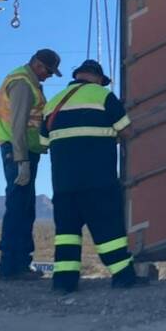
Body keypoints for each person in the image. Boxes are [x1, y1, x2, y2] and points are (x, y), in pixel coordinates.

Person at [41, 59, 143, 293]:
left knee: (66, 235)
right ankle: (123, 276)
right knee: (109, 231)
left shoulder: (53, 104)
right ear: (97, 78)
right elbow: (127, 131)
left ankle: (64, 283)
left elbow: (43, 142)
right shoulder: (103, 96)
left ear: (77, 76)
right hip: (98, 180)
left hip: (64, 185)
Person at [0, 48, 62, 280]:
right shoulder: (22, 84)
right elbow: (18, 125)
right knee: (19, 207)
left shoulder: (25, 80)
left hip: (23, 151)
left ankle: (18, 263)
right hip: (18, 151)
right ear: (38, 65)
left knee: (24, 206)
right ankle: (12, 265)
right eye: (49, 72)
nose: (48, 76)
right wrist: (22, 161)